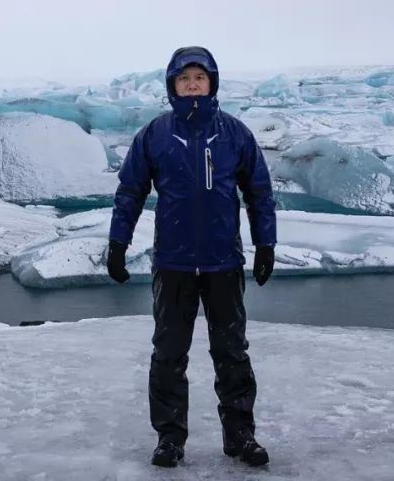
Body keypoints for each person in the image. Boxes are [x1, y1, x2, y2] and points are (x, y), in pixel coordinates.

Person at [106, 46, 277, 468]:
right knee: (168, 354)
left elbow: (259, 192)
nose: (192, 84)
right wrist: (118, 244)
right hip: (174, 263)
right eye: (185, 79)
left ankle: (241, 436)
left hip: (223, 261)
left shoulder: (235, 133)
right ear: (173, 86)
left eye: (199, 77)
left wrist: (265, 244)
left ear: (212, 82)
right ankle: (169, 438)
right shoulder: (155, 134)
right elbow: (131, 191)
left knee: (232, 352)